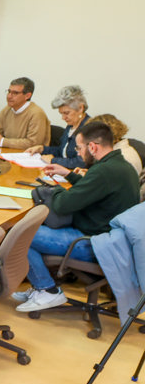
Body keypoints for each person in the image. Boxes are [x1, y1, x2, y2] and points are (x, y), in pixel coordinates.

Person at [13, 121, 140, 313]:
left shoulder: (103, 171)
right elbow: (95, 188)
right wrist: (69, 175)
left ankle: (47, 289)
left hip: (94, 243)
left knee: (21, 234)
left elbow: (62, 205)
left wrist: (54, 190)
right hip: (112, 240)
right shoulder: (121, 165)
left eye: (79, 148)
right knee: (28, 230)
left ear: (93, 147)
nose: (78, 153)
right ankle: (42, 286)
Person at [25, 85, 90, 169]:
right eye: (61, 113)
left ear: (80, 108)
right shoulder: (71, 126)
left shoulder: (90, 129)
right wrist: (42, 149)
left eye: (66, 113)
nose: (63, 118)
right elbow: (62, 152)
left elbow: (81, 162)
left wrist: (53, 160)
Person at [0, 77, 50, 151]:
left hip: (27, 158)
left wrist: (3, 142)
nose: (9, 96)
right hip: (6, 155)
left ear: (27, 96)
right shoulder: (7, 110)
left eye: (15, 93)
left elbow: (33, 143)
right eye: (9, 91)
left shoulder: (37, 113)